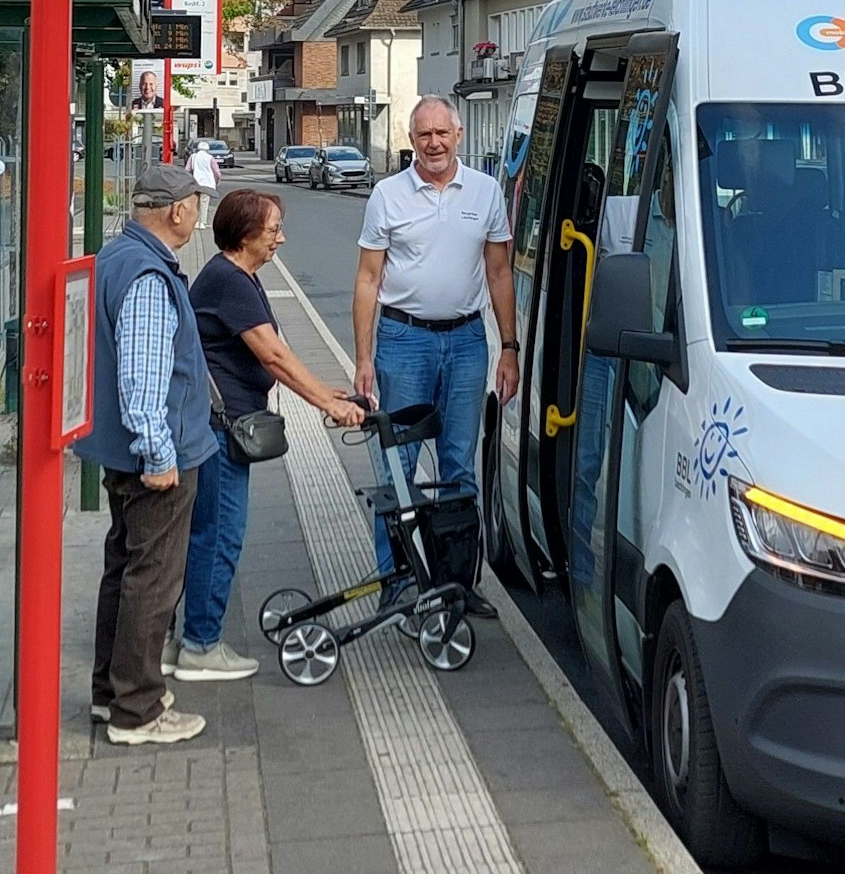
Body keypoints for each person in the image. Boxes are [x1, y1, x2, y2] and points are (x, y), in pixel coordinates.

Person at [171, 190, 366, 680]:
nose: (282, 237)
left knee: (207, 533)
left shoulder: (238, 276)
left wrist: (327, 388)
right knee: (221, 535)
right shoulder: (230, 281)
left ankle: (189, 637)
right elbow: (272, 356)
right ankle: (200, 645)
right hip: (220, 430)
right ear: (245, 233)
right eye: (273, 229)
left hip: (219, 426)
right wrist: (330, 405)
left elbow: (276, 350)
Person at [352, 95, 519, 618]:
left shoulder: (487, 193)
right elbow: (368, 279)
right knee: (397, 469)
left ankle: (456, 585)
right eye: (423, 135)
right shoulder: (387, 196)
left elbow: (499, 274)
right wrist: (363, 357)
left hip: (468, 343)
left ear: (459, 135)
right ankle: (396, 584)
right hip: (405, 344)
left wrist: (508, 347)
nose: (434, 143)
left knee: (459, 469)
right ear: (411, 140)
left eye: (442, 133)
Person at [73, 165, 218, 745]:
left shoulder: (114, 258)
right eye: (195, 205)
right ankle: (139, 709)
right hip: (155, 459)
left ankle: (112, 692)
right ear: (178, 211)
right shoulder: (149, 277)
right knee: (153, 580)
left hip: (118, 453)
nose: (197, 215)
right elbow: (142, 378)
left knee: (124, 571)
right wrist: (158, 453)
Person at [188, 141, 221, 230]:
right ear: (207, 149)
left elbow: (187, 170)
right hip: (207, 183)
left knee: (196, 203)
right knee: (204, 203)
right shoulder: (210, 158)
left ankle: (196, 222)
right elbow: (217, 172)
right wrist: (216, 181)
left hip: (196, 183)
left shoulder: (193, 157)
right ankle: (202, 222)